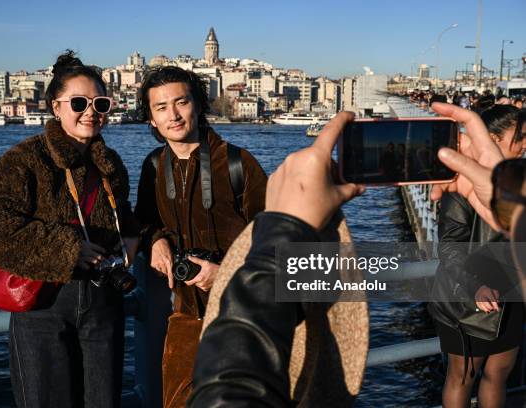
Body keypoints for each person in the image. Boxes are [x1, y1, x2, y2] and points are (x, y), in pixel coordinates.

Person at [188, 102, 525, 406]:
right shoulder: (468, 199)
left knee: (495, 374)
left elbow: (232, 383)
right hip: (471, 306)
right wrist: (511, 207)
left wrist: (280, 231)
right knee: (466, 377)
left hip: (503, 298)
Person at [0, 50, 140, 408]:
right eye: (79, 102)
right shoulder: (25, 159)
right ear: (56, 106)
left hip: (102, 304)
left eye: (100, 102)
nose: (90, 111)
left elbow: (123, 213)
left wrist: (132, 238)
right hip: (44, 306)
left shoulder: (110, 164)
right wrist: (67, 249)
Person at [134, 66, 267, 407]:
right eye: (161, 107)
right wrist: (155, 240)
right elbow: (143, 221)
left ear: (197, 105)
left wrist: (223, 274)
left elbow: (275, 241)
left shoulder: (238, 163)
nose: (173, 115)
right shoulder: (152, 167)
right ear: (151, 119)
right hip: (184, 317)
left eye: (181, 102)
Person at [428, 104, 525, 407]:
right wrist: (475, 287)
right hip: (467, 298)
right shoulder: (462, 184)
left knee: (499, 373)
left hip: (510, 294)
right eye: (520, 136)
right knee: (462, 376)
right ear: (492, 139)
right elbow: (450, 247)